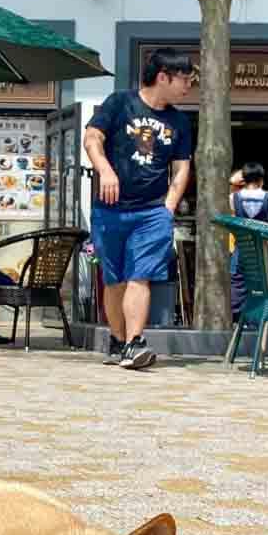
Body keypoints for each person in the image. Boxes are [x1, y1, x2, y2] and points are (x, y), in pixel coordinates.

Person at [84, 48, 194, 370]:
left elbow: (182, 167)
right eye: (185, 80)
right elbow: (92, 138)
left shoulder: (179, 121)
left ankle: (134, 343)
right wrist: (104, 169)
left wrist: (169, 208)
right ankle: (118, 342)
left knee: (140, 275)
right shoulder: (120, 103)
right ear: (163, 77)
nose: (188, 87)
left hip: (151, 213)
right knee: (114, 280)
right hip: (109, 211)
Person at [226, 161, 268, 310]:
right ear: (261, 180)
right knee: (261, 287)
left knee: (237, 284)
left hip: (241, 251)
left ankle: (237, 322)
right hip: (263, 253)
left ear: (244, 179)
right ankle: (258, 320)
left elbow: (231, 222)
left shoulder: (234, 198)